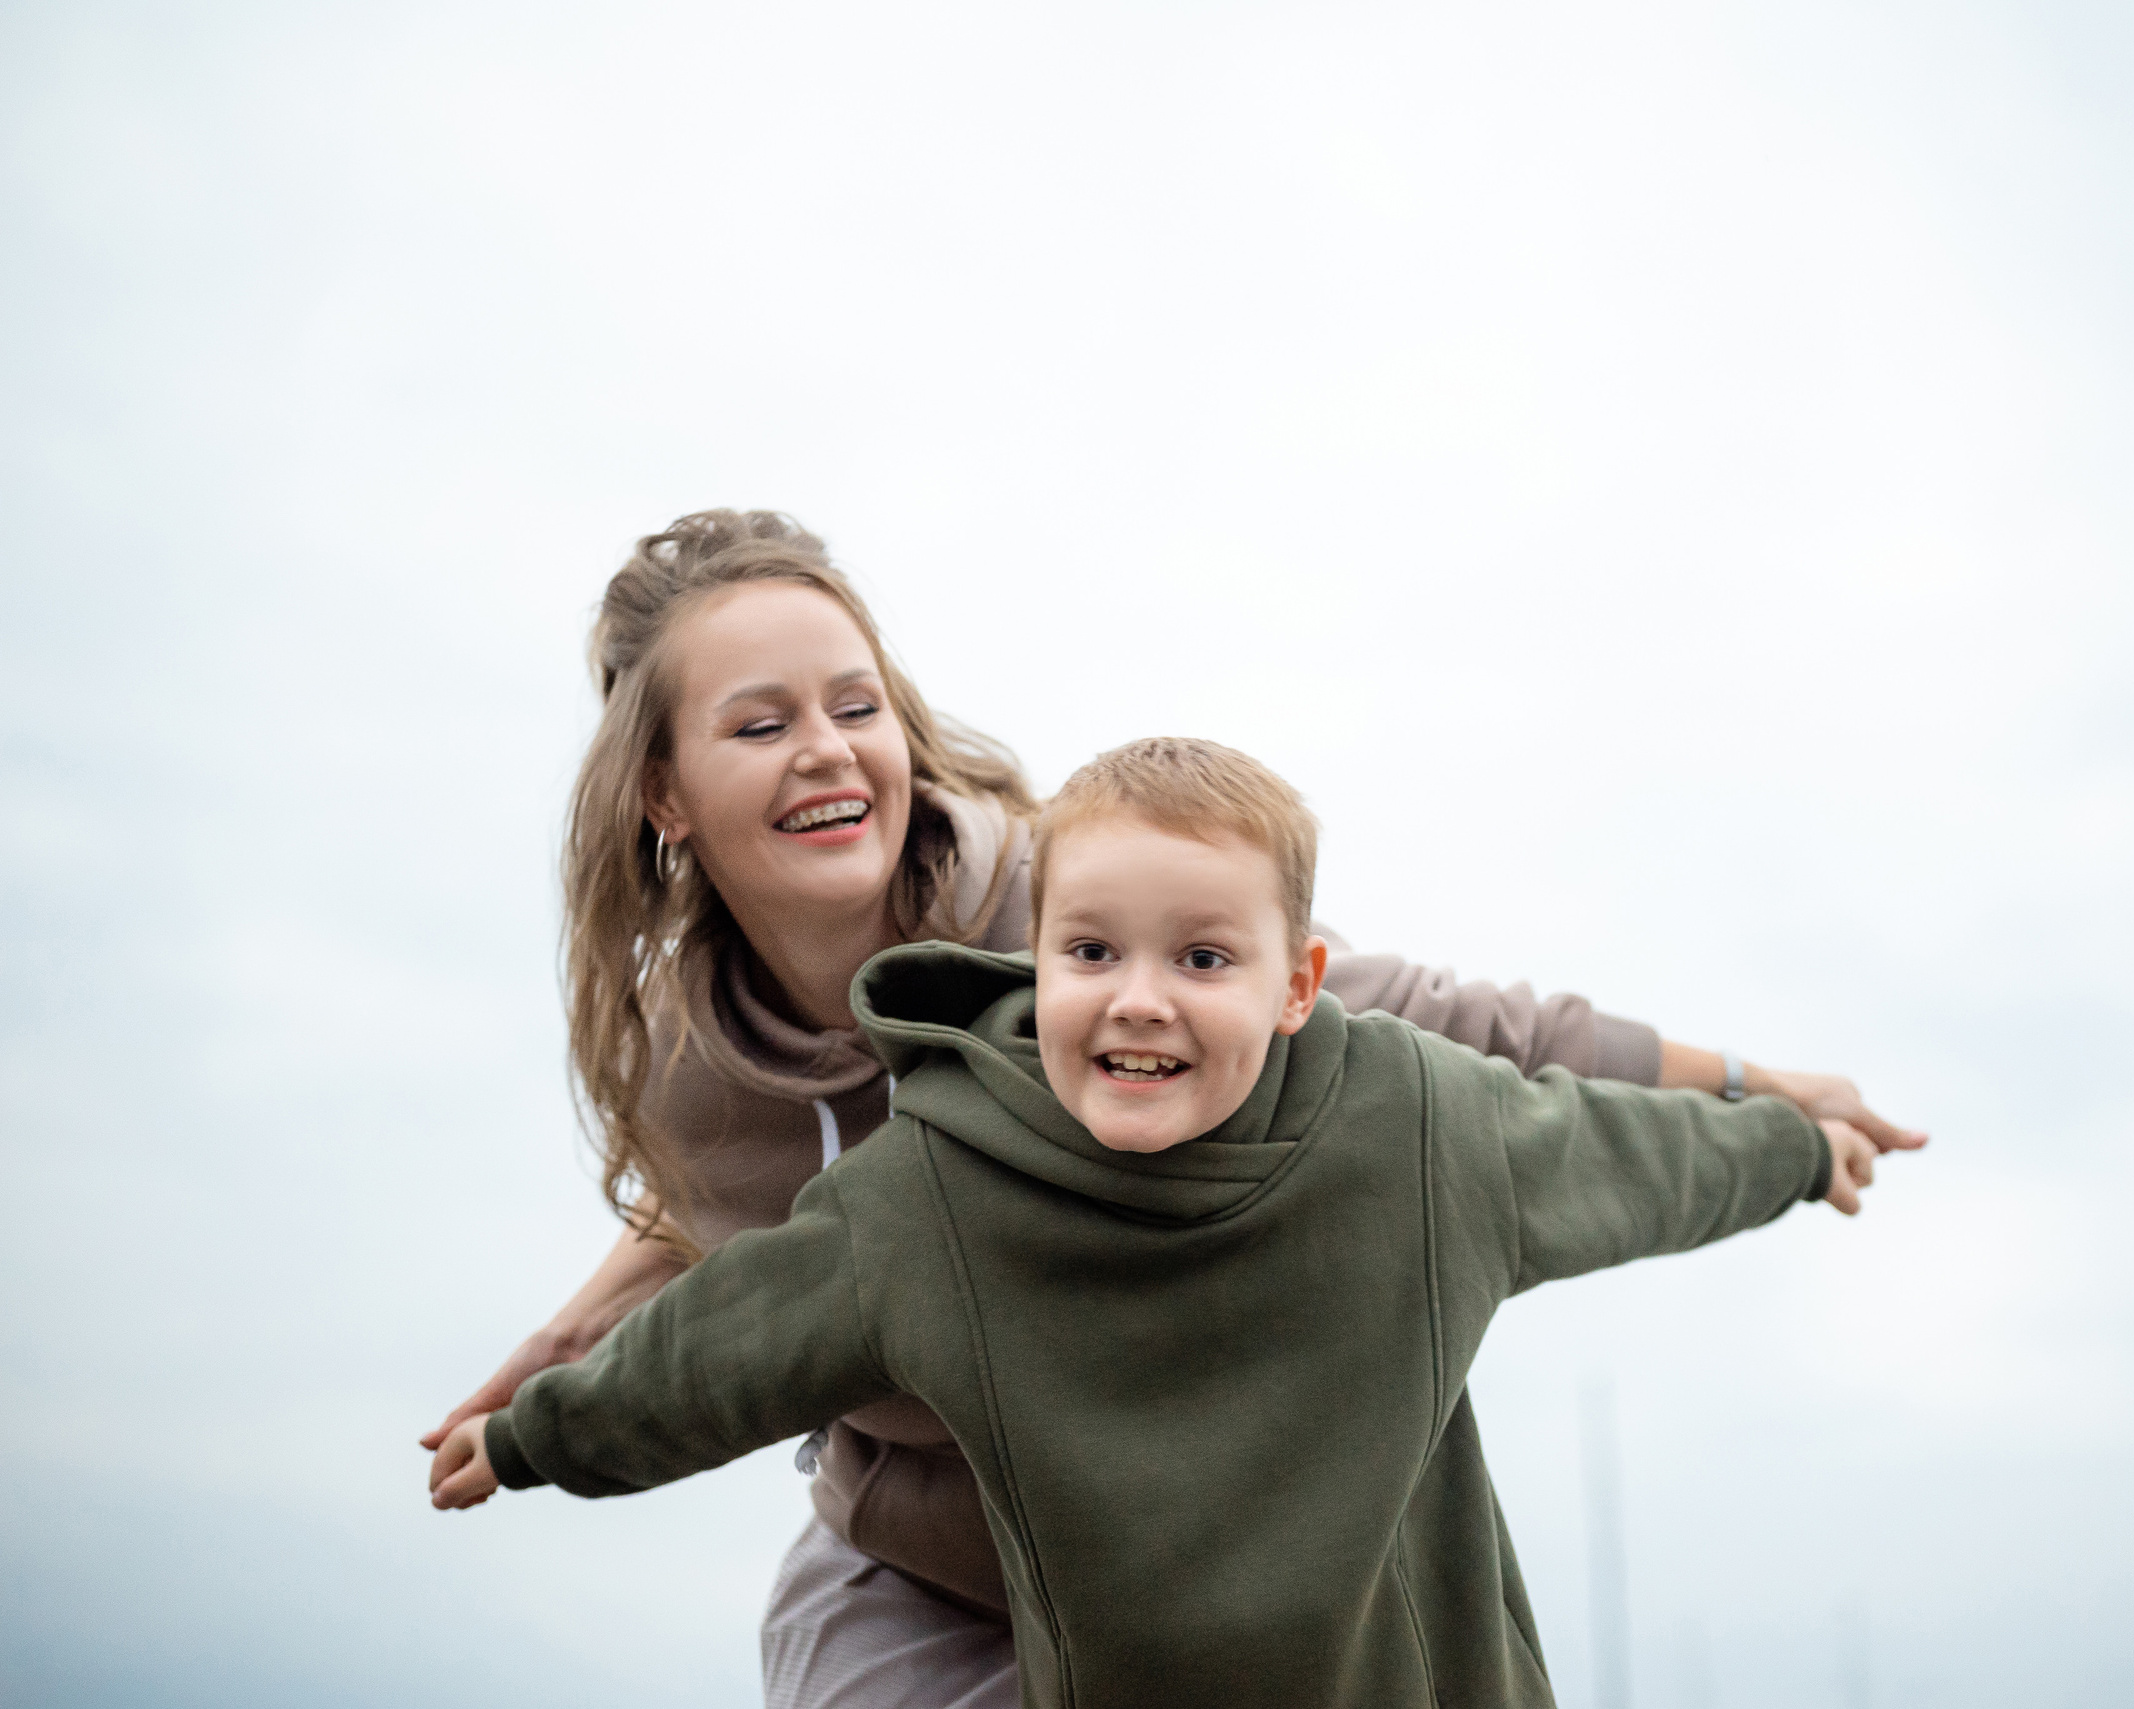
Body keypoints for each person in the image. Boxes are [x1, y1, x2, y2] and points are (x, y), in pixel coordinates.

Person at [418, 510, 1926, 1708]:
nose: (825, 747)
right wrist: (560, 1368)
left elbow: (1430, 1034)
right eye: (759, 724)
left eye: (856, 703)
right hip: (913, 1563)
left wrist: (1748, 1091)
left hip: (1164, 1577)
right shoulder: (687, 1052)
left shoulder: (1074, 937)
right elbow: (723, 1244)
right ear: (664, 795)